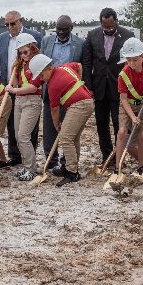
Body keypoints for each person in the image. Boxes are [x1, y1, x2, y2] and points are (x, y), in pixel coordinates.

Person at [30, 54, 94, 187]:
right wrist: (78, 83)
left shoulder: (52, 85)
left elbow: (54, 110)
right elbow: (79, 66)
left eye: (41, 75)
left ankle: (72, 172)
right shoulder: (65, 67)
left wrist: (57, 125)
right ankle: (70, 167)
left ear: (48, 68)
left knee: (65, 137)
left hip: (79, 105)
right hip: (86, 101)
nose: (41, 79)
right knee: (73, 137)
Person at [81, 8, 134, 163]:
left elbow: (130, 63)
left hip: (119, 88)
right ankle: (107, 156)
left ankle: (119, 157)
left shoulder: (127, 36)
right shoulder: (92, 36)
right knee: (101, 125)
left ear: (116, 21)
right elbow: (87, 62)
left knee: (120, 125)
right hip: (98, 88)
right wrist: (89, 86)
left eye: (111, 27)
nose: (108, 30)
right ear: (101, 23)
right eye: (105, 27)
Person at [0, 10, 42, 166]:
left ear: (21, 21)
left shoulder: (35, 37)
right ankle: (15, 156)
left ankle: (29, 159)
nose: (9, 27)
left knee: (28, 129)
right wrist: (0, 83)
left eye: (12, 23)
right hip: (8, 88)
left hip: (29, 89)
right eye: (6, 24)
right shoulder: (1, 38)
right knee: (13, 126)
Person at [41, 15, 84, 172]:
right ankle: (51, 161)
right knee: (49, 127)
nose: (60, 33)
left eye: (64, 30)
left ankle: (67, 162)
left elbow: (82, 65)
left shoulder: (80, 44)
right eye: (58, 29)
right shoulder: (46, 41)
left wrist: (79, 84)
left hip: (69, 94)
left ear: (71, 29)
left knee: (67, 129)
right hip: (50, 91)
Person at [114, 38, 143, 174]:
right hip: (127, 105)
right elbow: (123, 99)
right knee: (122, 132)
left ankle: (141, 167)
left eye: (135, 59)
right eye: (128, 60)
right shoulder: (123, 75)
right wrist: (133, 117)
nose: (132, 63)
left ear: (142, 56)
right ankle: (118, 168)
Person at [5, 33, 44, 181]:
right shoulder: (21, 64)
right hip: (20, 101)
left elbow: (33, 87)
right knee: (17, 136)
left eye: (25, 51)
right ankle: (27, 166)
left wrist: (13, 91)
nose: (23, 55)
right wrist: (13, 69)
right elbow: (14, 82)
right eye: (20, 52)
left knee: (23, 136)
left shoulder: (38, 63)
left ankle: (31, 169)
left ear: (33, 48)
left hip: (32, 101)